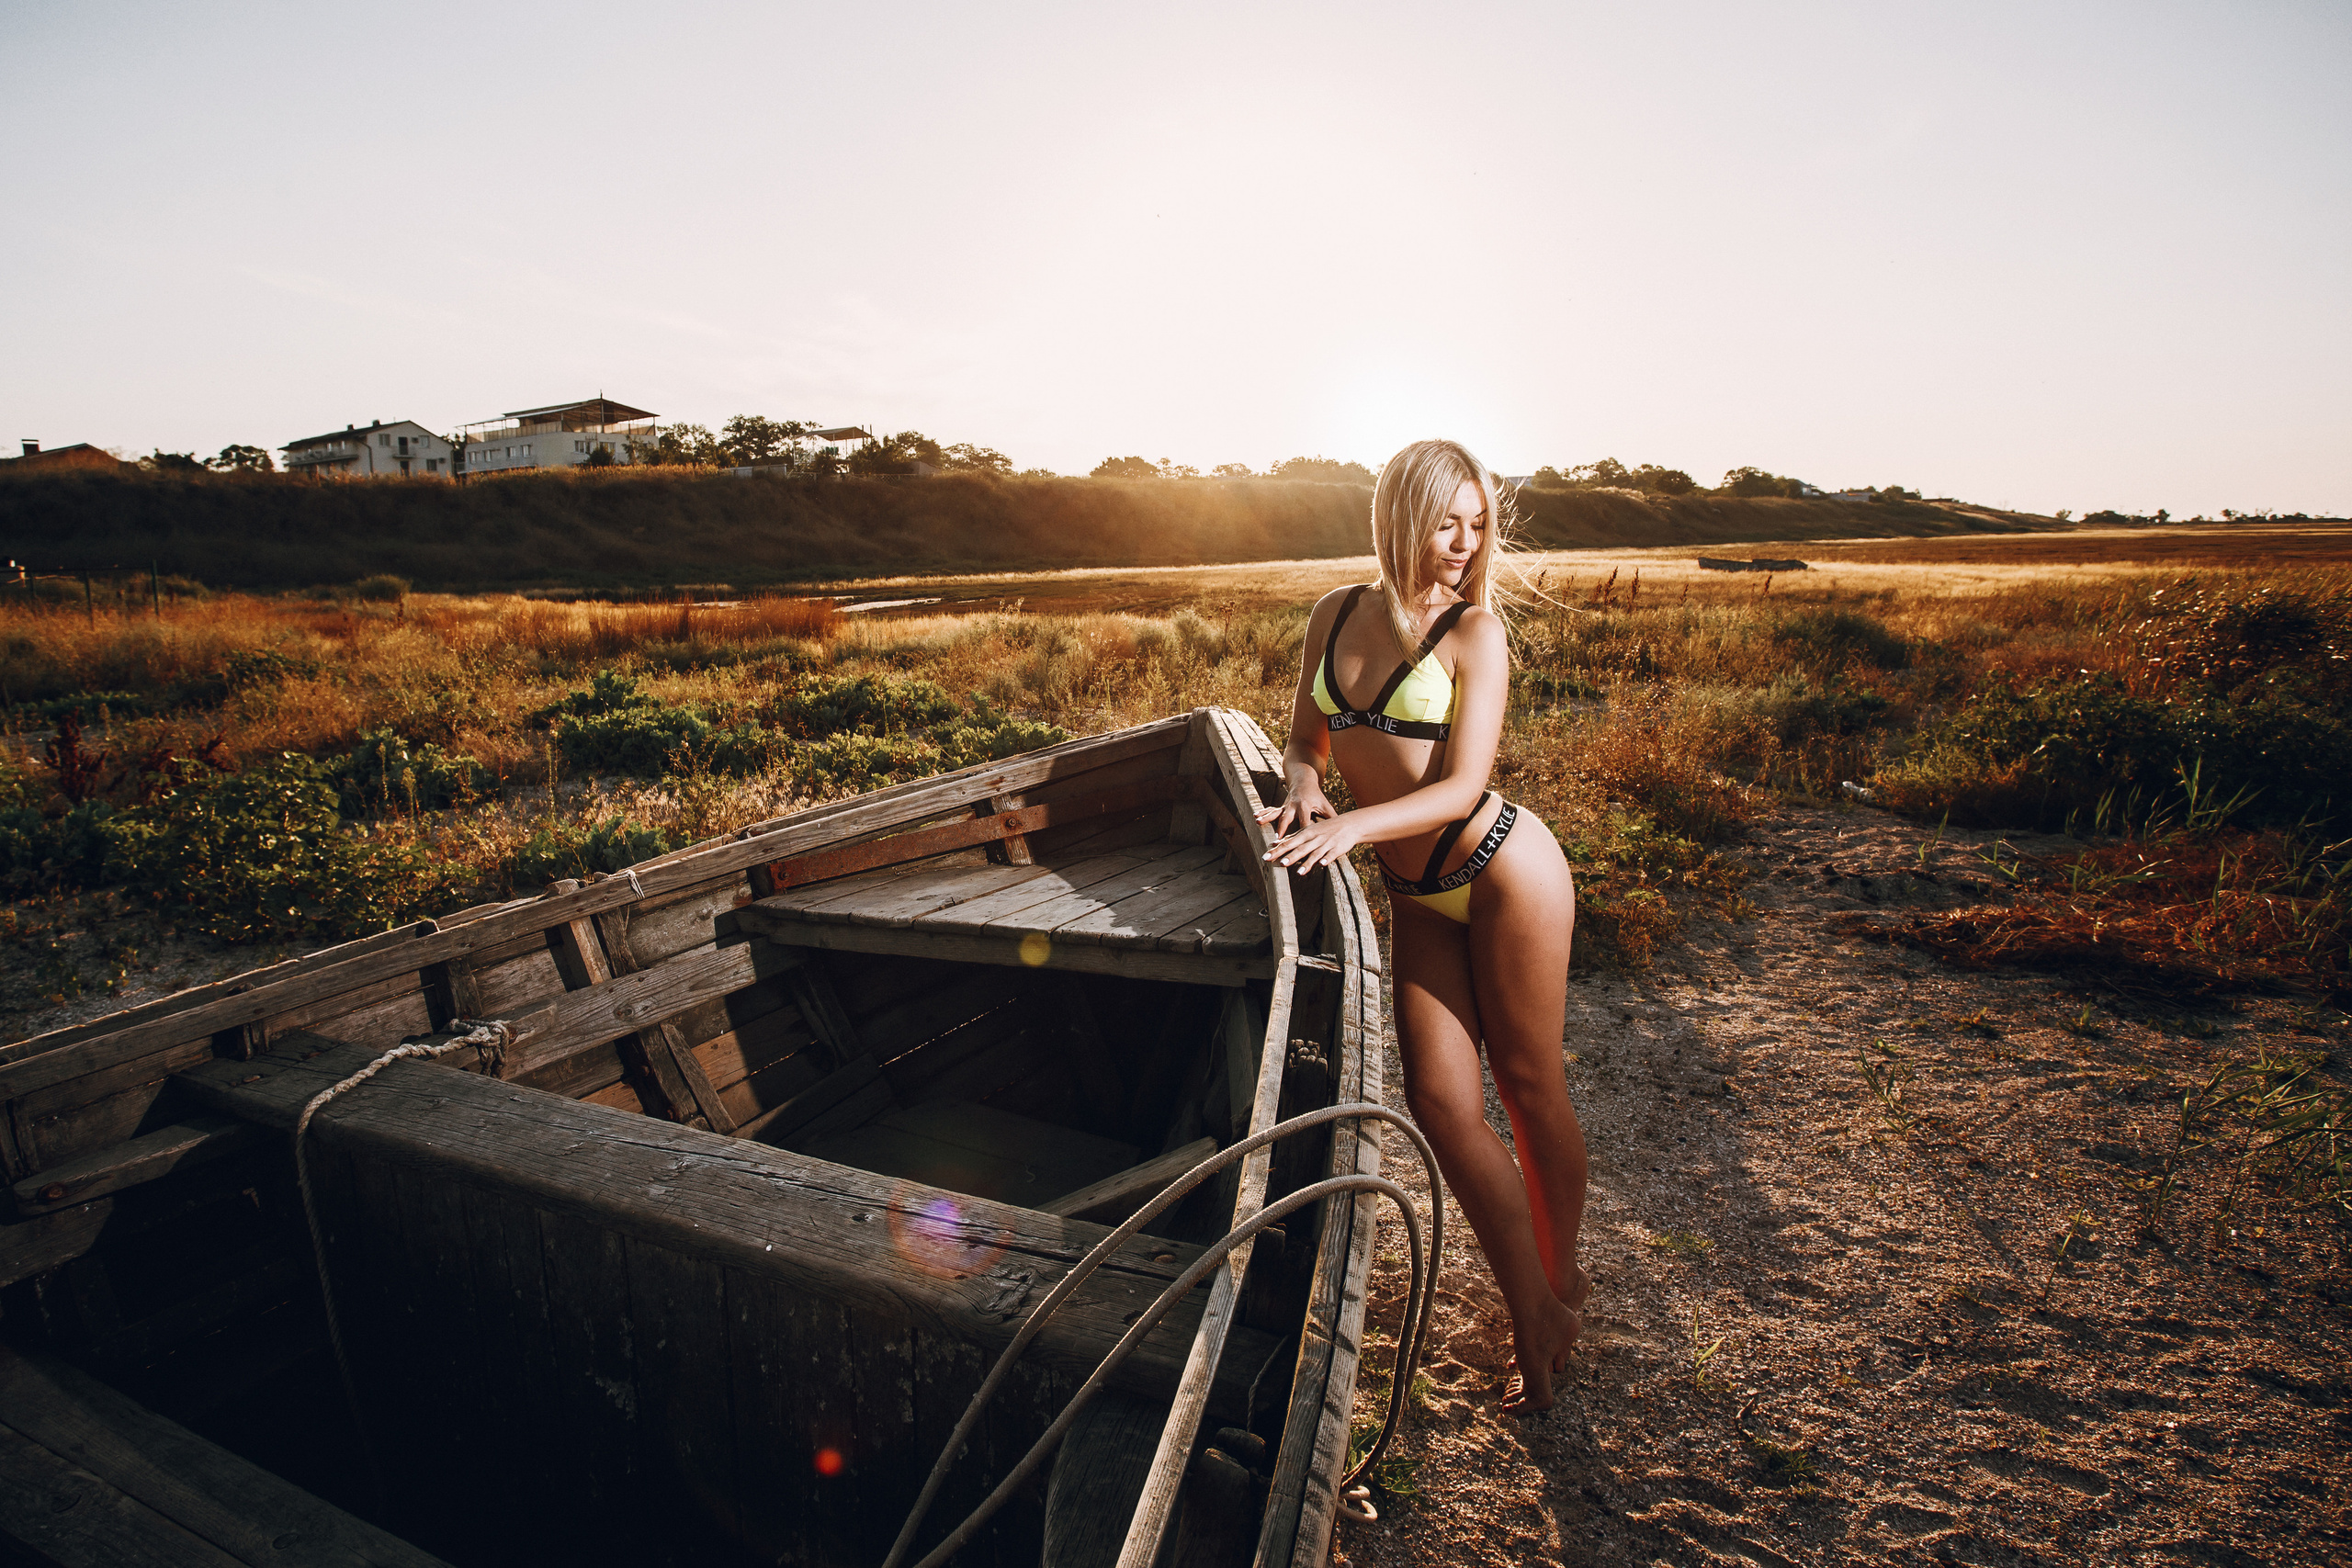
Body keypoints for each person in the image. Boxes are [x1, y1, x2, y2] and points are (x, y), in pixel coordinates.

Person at [1255, 438, 1589, 1410]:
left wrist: (1355, 827)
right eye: (1447, 521)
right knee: (1443, 1109)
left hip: (1501, 870)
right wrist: (1309, 785)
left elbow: (1463, 786)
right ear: (1401, 515)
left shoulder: (1474, 637)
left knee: (1527, 1086)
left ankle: (1553, 1292)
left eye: (1478, 524)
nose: (1463, 543)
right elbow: (1304, 733)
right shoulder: (1335, 613)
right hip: (1417, 899)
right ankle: (1538, 1304)